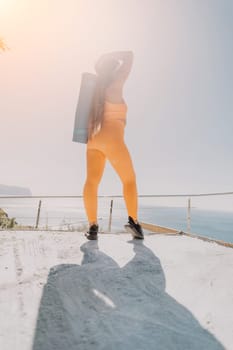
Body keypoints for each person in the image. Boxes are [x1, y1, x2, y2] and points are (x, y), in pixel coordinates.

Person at [83, 51, 144, 240]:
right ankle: (134, 221)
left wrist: (102, 60)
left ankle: (93, 226)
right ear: (113, 69)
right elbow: (130, 56)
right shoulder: (116, 84)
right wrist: (111, 54)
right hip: (113, 140)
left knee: (92, 182)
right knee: (129, 180)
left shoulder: (94, 92)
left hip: (93, 141)